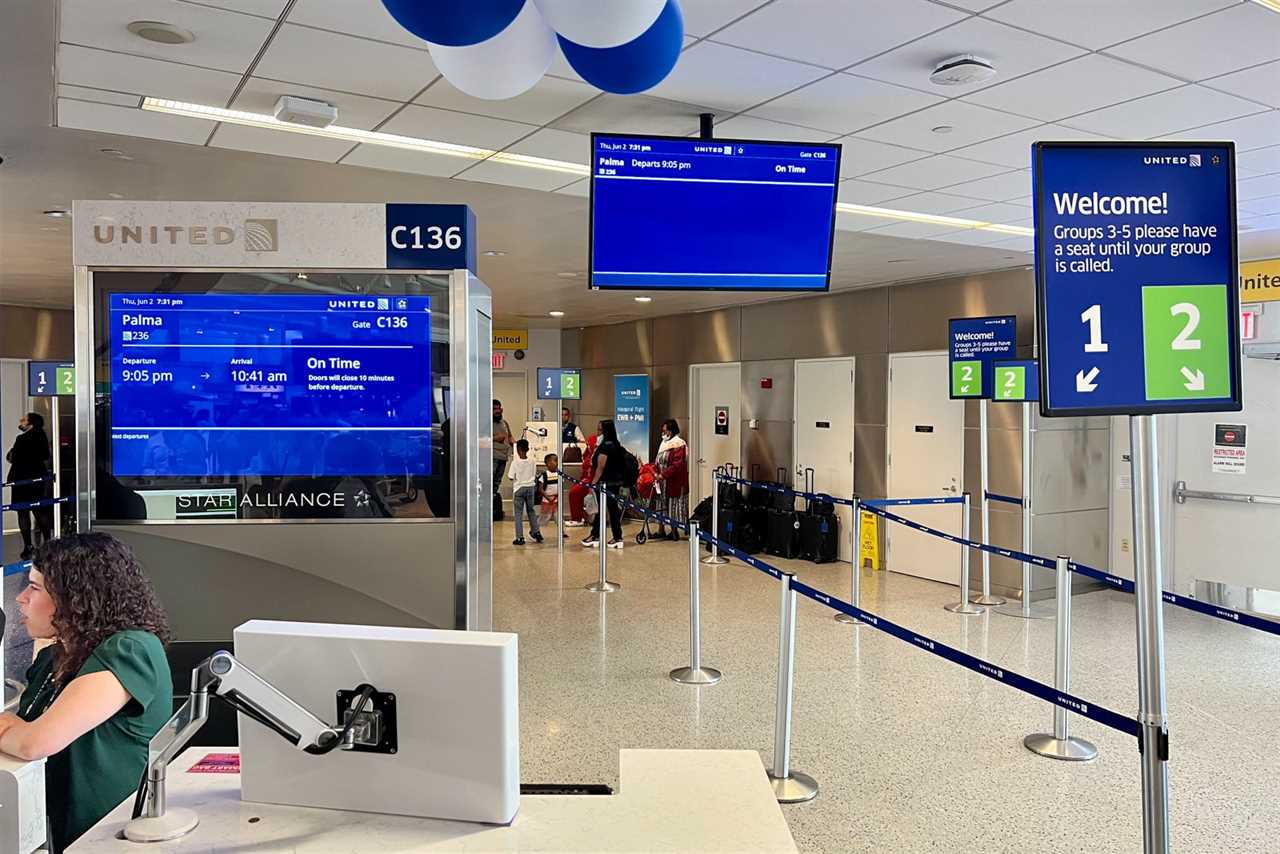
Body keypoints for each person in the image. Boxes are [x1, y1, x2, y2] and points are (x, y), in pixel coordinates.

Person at [0, 533, 173, 853]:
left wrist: (18, 731)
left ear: (76, 597)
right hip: (63, 838)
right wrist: (15, 729)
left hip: (116, 842)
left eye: (35, 588)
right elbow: (19, 728)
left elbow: (35, 742)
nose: (21, 598)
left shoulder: (130, 650)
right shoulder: (55, 658)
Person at [6, 411, 53, 559]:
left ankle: (28, 546)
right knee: (40, 512)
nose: (21, 421)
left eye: (24, 419)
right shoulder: (42, 436)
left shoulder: (21, 439)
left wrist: (13, 453)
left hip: (21, 480)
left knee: (23, 512)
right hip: (37, 479)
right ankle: (48, 544)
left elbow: (13, 457)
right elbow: (46, 455)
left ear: (30, 423)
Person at [583, 419, 627, 550]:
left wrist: (593, 483)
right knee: (605, 510)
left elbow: (600, 467)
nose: (598, 433)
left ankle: (616, 537)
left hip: (605, 484)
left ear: (606, 431)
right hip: (615, 482)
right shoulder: (616, 444)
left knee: (609, 510)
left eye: (600, 430)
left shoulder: (605, 446)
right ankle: (596, 535)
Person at [655, 419, 689, 542]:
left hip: (673, 481)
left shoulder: (679, 444)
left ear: (671, 431)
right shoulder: (664, 443)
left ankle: (674, 531)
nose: (663, 433)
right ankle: (661, 530)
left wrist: (664, 474)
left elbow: (677, 465)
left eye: (665, 431)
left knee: (673, 505)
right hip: (661, 481)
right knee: (661, 503)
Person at [508, 438, 541, 545]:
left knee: (518, 514)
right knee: (531, 510)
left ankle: (520, 538)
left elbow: (510, 477)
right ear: (527, 449)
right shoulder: (532, 461)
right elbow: (534, 475)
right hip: (530, 488)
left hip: (519, 489)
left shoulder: (515, 462)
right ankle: (536, 532)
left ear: (518, 450)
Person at [492, 399, 513, 520]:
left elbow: (509, 437)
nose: (497, 411)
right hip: (492, 456)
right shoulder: (485, 422)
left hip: (503, 457)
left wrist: (517, 446)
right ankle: (488, 510)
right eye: (494, 409)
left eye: (498, 408)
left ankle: (495, 510)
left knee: (496, 483)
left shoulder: (504, 423)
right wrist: (495, 438)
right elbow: (480, 439)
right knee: (489, 483)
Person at [536, 452, 563, 537]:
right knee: (544, 518)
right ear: (547, 464)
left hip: (556, 500)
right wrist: (548, 498)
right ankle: (536, 531)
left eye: (556, 461)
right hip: (547, 501)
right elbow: (540, 489)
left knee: (558, 517)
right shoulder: (544, 475)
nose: (555, 463)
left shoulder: (559, 474)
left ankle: (562, 531)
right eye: (553, 461)